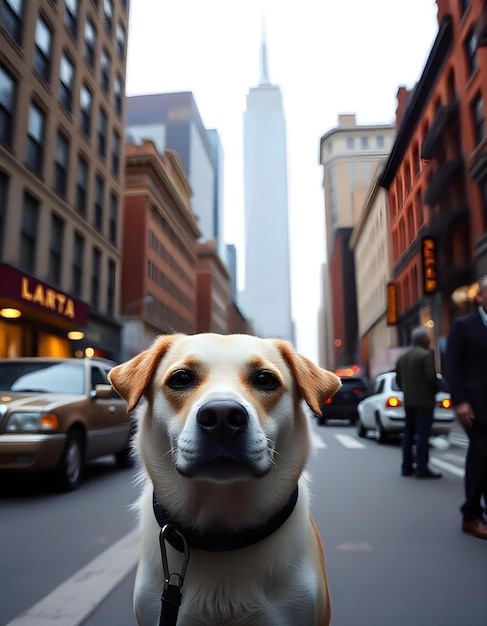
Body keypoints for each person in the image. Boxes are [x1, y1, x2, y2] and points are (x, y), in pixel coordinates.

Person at [444, 275, 487, 540]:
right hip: (476, 406)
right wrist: (459, 401)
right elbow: (451, 366)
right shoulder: (463, 325)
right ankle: (470, 515)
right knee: (480, 457)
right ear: (480, 297)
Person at [395, 326, 442, 479]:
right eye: (427, 337)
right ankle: (422, 468)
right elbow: (431, 377)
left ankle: (406, 466)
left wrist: (407, 391)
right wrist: (436, 390)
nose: (429, 340)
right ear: (423, 339)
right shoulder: (426, 355)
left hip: (409, 401)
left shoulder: (403, 357)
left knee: (408, 433)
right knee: (422, 434)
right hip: (425, 402)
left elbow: (398, 380)